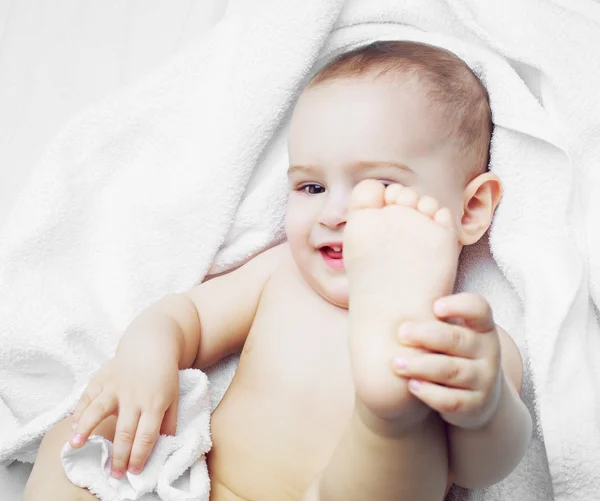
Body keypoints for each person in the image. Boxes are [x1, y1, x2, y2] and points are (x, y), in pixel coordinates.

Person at [24, 40, 532, 501]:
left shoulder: (462, 338)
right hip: (200, 489)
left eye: (375, 186)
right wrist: (145, 354)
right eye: (311, 188)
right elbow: (187, 320)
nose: (334, 213)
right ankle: (390, 416)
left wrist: (486, 408)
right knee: (76, 442)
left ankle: (387, 419)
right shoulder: (281, 274)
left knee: (402, 448)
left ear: (470, 211)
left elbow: (484, 465)